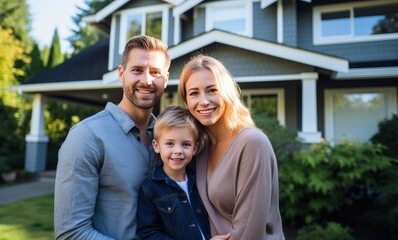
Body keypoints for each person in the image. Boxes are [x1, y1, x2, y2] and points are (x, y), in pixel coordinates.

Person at [54, 35, 170, 240]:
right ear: (121, 73)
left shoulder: (167, 138)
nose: (147, 80)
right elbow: (71, 233)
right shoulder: (87, 136)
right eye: (137, 70)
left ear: (166, 79)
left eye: (155, 72)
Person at [177, 55, 285, 240]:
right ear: (186, 100)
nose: (203, 101)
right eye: (194, 93)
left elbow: (249, 233)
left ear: (226, 92)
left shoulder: (252, 143)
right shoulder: (199, 148)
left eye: (212, 90)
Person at [136, 106, 230, 240]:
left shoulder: (201, 181)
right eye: (170, 144)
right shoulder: (150, 189)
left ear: (195, 148)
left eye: (185, 144)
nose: (178, 151)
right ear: (156, 146)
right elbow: (148, 233)